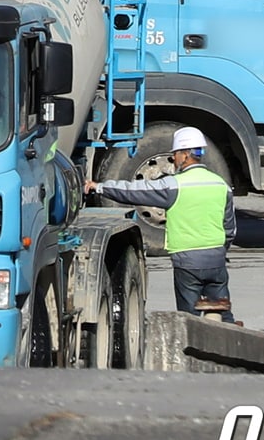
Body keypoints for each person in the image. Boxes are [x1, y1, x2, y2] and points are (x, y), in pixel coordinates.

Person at [85, 126, 237, 323]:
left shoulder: (174, 185)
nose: (174, 158)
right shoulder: (221, 185)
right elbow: (230, 228)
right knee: (222, 312)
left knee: (190, 320)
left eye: (176, 154)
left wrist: (100, 187)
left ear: (185, 155)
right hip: (216, 260)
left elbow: (134, 191)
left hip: (187, 263)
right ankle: (231, 337)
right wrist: (220, 251)